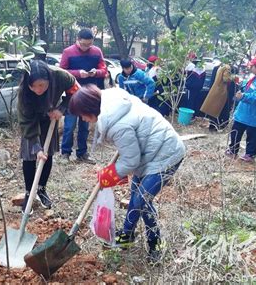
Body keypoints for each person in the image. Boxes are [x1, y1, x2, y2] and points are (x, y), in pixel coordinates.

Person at [69, 85, 186, 262]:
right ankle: (127, 235)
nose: (83, 120)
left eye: (82, 115)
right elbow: (131, 153)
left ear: (90, 109)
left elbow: (131, 161)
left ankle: (155, 245)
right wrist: (115, 172)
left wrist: (112, 173)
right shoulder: (112, 103)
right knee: (136, 195)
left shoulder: (118, 125)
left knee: (141, 200)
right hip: (149, 152)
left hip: (166, 154)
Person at [18, 60, 79, 210]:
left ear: (49, 81)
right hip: (31, 118)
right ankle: (29, 193)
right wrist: (37, 147)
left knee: (48, 153)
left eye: (42, 85)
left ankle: (41, 189)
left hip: (50, 115)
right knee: (30, 154)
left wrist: (62, 108)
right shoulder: (24, 94)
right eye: (34, 86)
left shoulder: (61, 76)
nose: (38, 89)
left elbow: (76, 92)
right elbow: (26, 122)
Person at [59, 28, 106, 163]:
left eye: (89, 44)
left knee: (85, 126)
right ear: (77, 40)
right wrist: (78, 73)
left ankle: (82, 153)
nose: (87, 47)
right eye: (84, 44)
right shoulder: (68, 52)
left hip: (90, 95)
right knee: (69, 125)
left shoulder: (97, 51)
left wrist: (95, 72)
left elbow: (104, 70)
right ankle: (65, 153)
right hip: (72, 95)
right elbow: (62, 72)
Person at [226, 57, 256, 162]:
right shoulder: (255, 77)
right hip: (243, 112)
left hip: (254, 114)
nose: (249, 68)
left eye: (251, 66)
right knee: (235, 131)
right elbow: (247, 88)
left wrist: (243, 96)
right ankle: (233, 150)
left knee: (252, 135)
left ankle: (250, 154)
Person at [200, 64, 234, 131]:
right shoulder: (227, 68)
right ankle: (219, 126)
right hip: (222, 91)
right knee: (220, 109)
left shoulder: (218, 67)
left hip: (216, 89)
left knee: (214, 109)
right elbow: (225, 79)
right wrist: (233, 78)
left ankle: (213, 126)